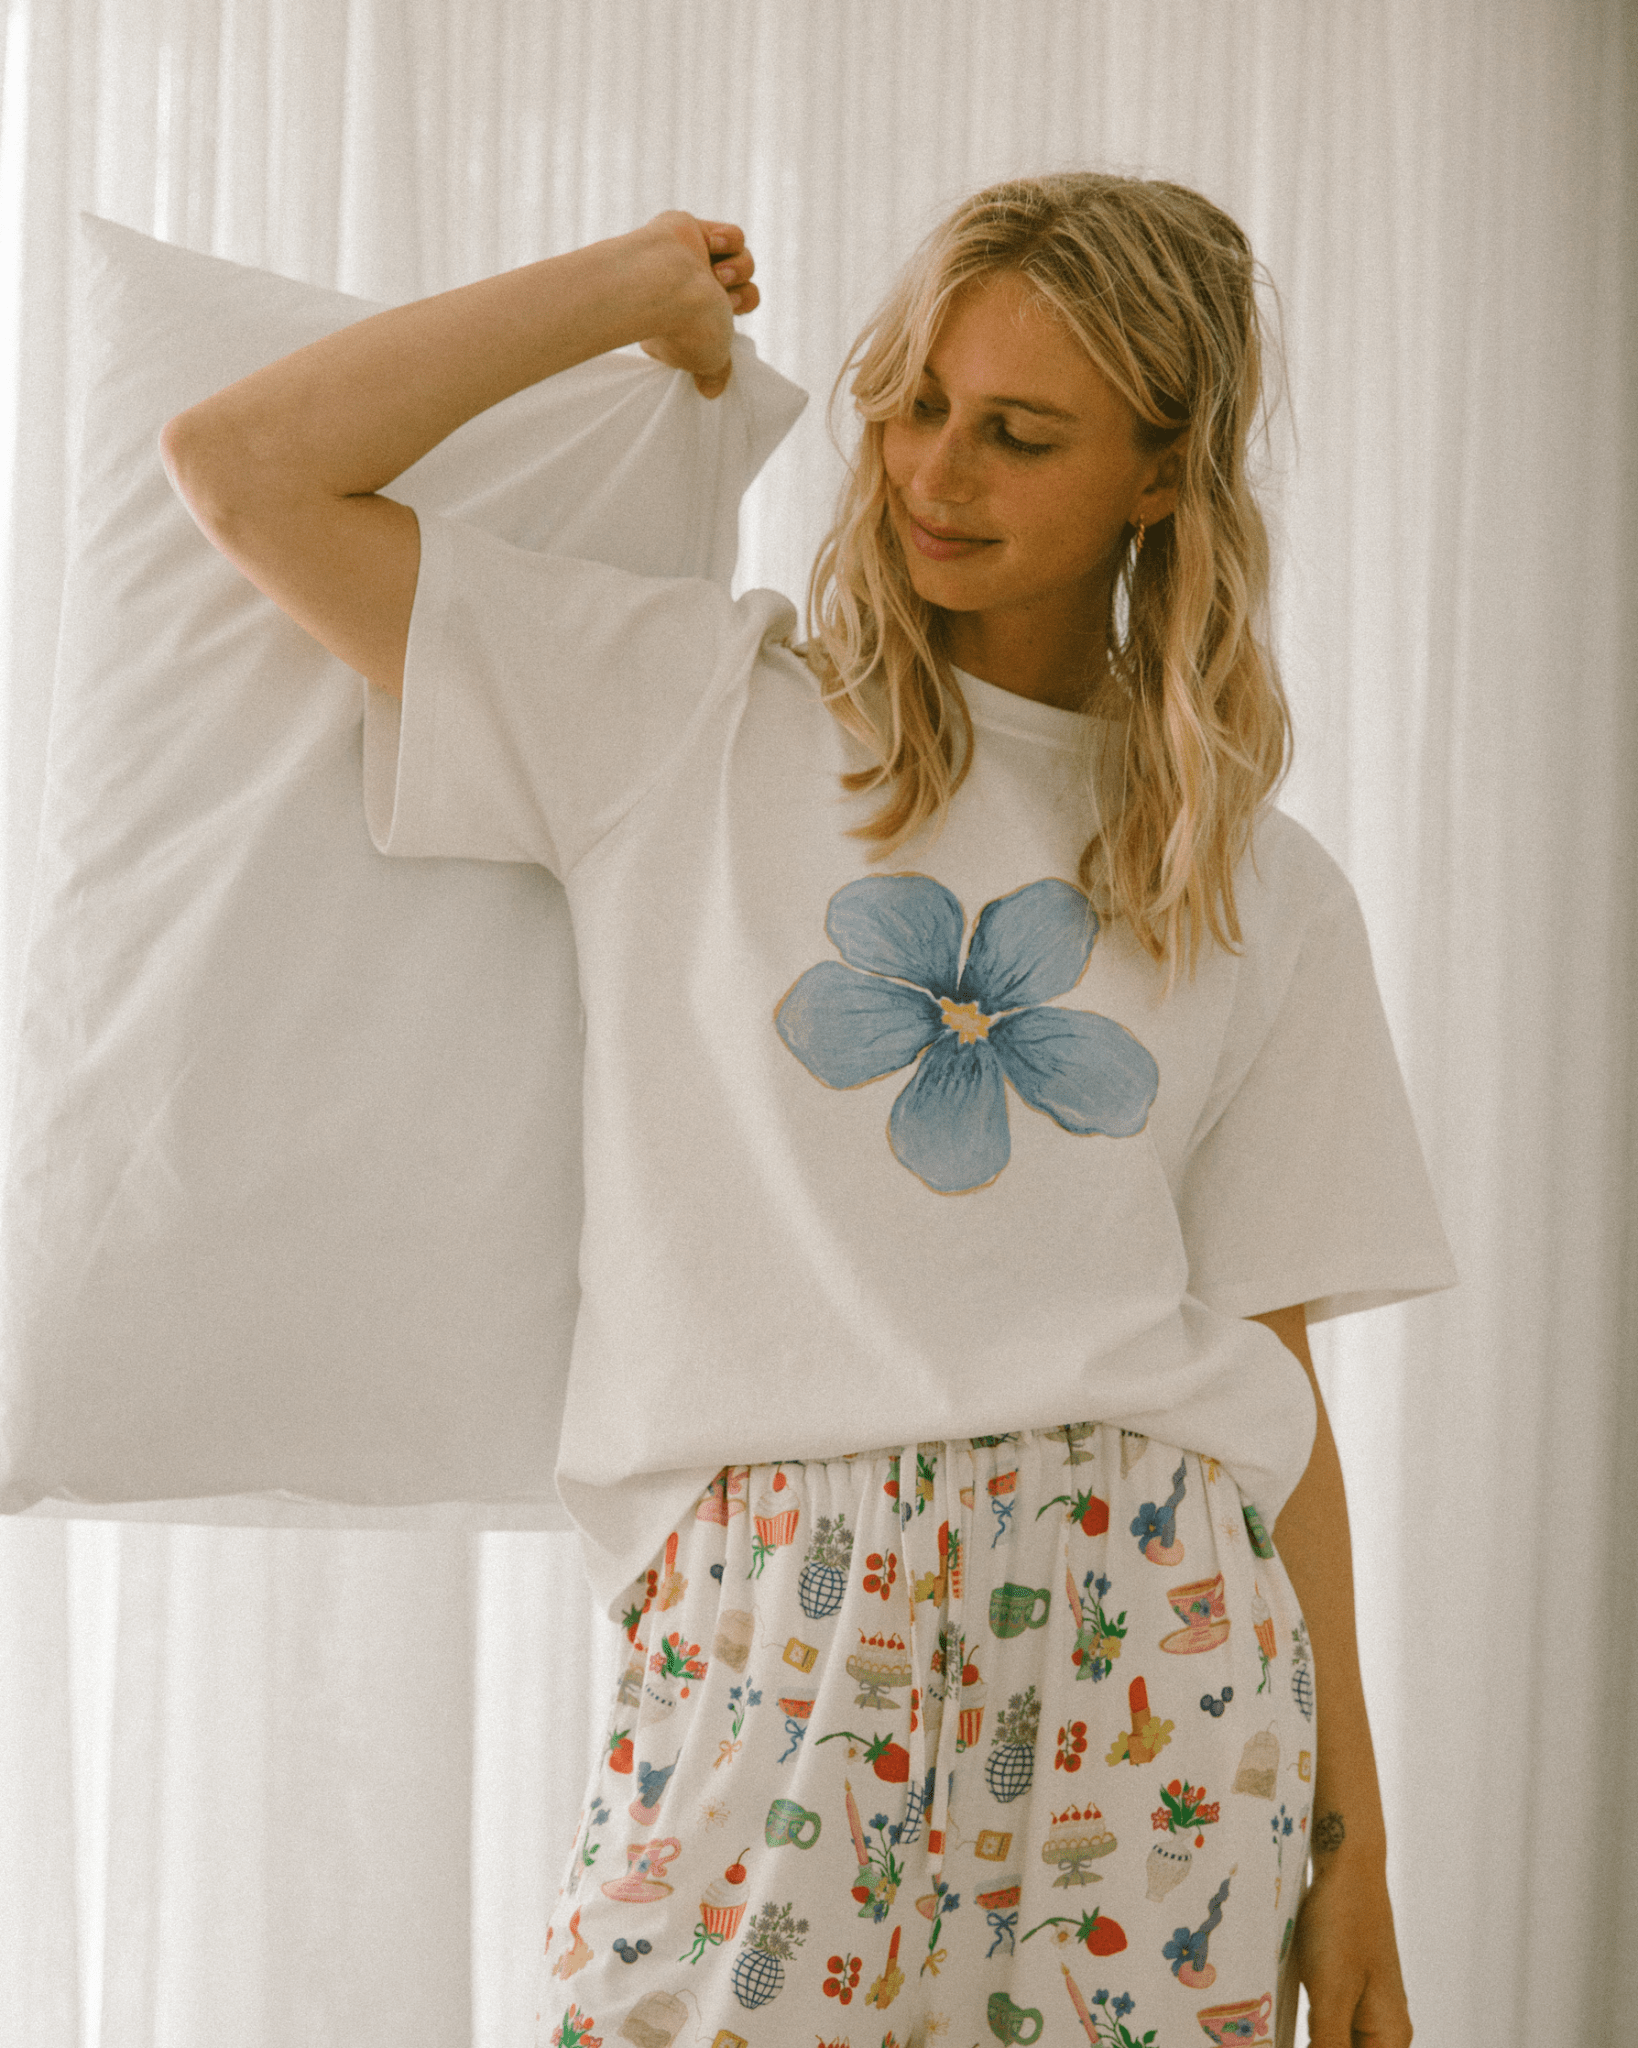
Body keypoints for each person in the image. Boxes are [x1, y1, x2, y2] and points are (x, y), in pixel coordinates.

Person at [162, 174, 1453, 2048]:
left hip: (1149, 1626)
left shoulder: (1256, 881)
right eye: (912, 401)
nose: (934, 469)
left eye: (1018, 434)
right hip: (770, 1616)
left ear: (1160, 479)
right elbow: (244, 469)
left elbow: (1273, 1364)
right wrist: (625, 286)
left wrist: (1355, 1850)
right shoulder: (687, 715)